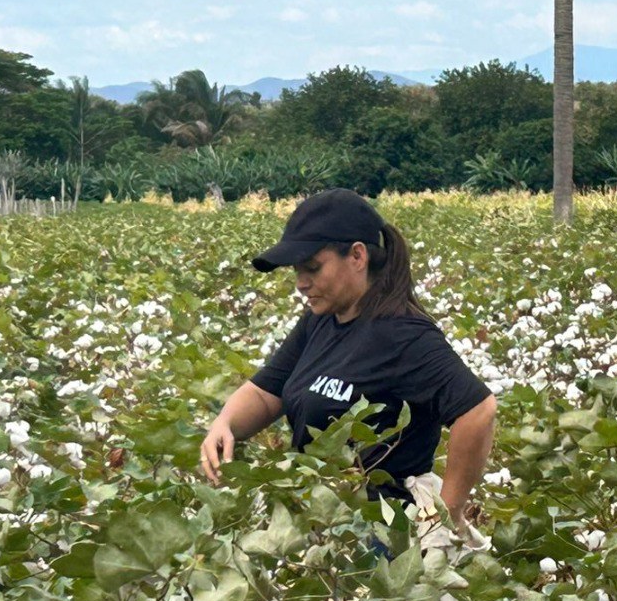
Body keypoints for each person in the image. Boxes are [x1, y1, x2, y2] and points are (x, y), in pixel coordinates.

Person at [200, 188, 496, 543]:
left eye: (312, 268)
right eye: (297, 270)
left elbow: (478, 410)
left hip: (385, 533)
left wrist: (448, 513)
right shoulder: (321, 321)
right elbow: (267, 394)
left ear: (357, 256)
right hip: (327, 521)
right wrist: (225, 423)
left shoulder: (402, 334)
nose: (301, 283)